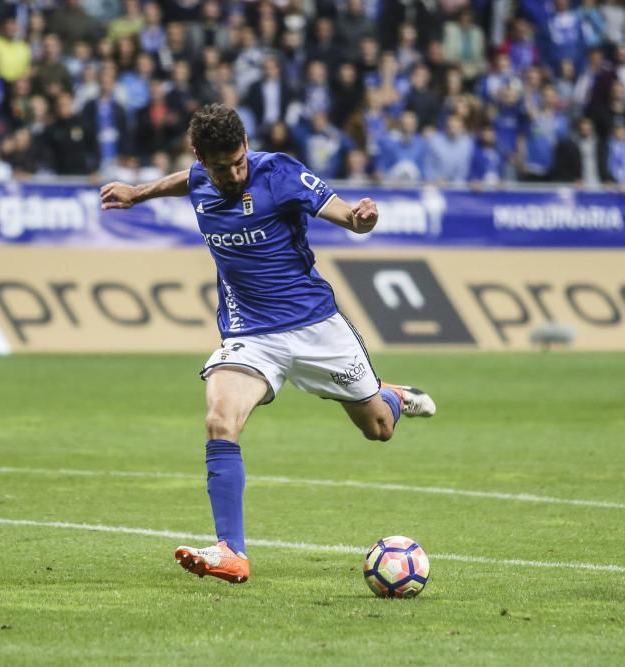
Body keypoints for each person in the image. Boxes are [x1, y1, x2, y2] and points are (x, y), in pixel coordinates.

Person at [99, 104, 436, 585]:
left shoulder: (278, 172)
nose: (234, 173)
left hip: (315, 326)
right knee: (220, 421)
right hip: (249, 333)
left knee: (378, 429)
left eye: (239, 162)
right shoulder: (200, 177)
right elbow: (186, 180)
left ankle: (390, 397)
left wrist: (362, 218)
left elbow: (346, 215)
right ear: (203, 159)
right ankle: (231, 551)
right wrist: (139, 193)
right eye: (222, 167)